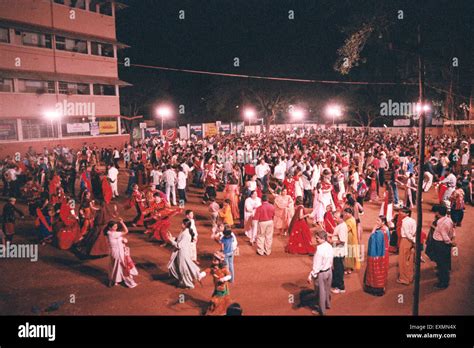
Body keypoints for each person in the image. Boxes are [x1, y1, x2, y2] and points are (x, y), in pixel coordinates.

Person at [167, 218, 205, 289]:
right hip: (181, 253)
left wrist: (170, 240)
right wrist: (171, 237)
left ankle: (189, 284)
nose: (181, 224)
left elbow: (179, 245)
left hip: (183, 254)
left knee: (183, 269)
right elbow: (179, 240)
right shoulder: (184, 231)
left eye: (182, 223)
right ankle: (183, 282)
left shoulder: (186, 234)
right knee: (181, 267)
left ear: (185, 225)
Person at [307, 230, 333, 316]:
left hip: (322, 274)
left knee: (321, 293)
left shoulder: (319, 250)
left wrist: (311, 275)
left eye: (317, 238)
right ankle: (328, 304)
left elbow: (316, 266)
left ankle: (321, 311)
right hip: (329, 271)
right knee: (327, 290)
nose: (316, 240)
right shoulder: (329, 246)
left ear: (322, 238)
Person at [106, 218, 138, 288]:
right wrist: (122, 222)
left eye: (116, 226)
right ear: (109, 227)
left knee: (117, 265)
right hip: (117, 252)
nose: (116, 228)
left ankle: (116, 280)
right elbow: (126, 231)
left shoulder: (110, 233)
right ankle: (115, 280)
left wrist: (123, 240)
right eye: (114, 227)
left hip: (116, 251)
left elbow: (121, 238)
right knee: (119, 265)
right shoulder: (113, 234)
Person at [364, 216, 390, 296]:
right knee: (382, 271)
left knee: (375, 271)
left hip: (377, 255)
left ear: (383, 222)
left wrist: (374, 229)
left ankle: (375, 290)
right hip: (384, 254)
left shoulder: (379, 233)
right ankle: (381, 287)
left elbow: (372, 238)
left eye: (378, 220)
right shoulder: (387, 230)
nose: (376, 222)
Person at [431, 206, 456, 289]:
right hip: (444, 244)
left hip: (440, 244)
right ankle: (443, 278)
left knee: (442, 264)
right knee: (444, 262)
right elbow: (452, 231)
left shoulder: (440, 222)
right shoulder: (449, 219)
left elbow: (444, 235)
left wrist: (450, 242)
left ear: (438, 212)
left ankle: (443, 283)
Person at [204, 251, 232, 316]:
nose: (214, 259)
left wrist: (224, 279)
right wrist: (202, 274)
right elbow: (208, 270)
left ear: (220, 261)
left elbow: (229, 275)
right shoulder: (213, 268)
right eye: (214, 258)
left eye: (216, 259)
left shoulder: (224, 269)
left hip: (221, 287)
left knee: (218, 299)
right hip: (217, 287)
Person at [397, 208, 416, 285]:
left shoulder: (404, 222)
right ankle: (410, 277)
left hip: (405, 240)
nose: (400, 213)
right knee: (409, 260)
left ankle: (404, 279)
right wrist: (414, 240)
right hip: (411, 240)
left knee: (403, 260)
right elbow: (414, 231)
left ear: (407, 213)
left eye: (403, 212)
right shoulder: (413, 221)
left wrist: (412, 239)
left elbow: (407, 234)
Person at [330, 211, 348, 294]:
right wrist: (331, 235)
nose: (333, 219)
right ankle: (336, 285)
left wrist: (331, 241)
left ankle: (340, 287)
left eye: (335, 218)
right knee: (337, 269)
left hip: (339, 252)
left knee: (339, 270)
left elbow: (342, 241)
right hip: (337, 251)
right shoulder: (340, 225)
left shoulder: (342, 227)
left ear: (341, 218)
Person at [343, 208, 360, 273]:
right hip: (351, 237)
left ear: (350, 213)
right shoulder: (352, 219)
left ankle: (348, 269)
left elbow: (346, 229)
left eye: (346, 213)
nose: (345, 214)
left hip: (349, 238)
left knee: (348, 254)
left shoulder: (350, 220)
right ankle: (349, 268)